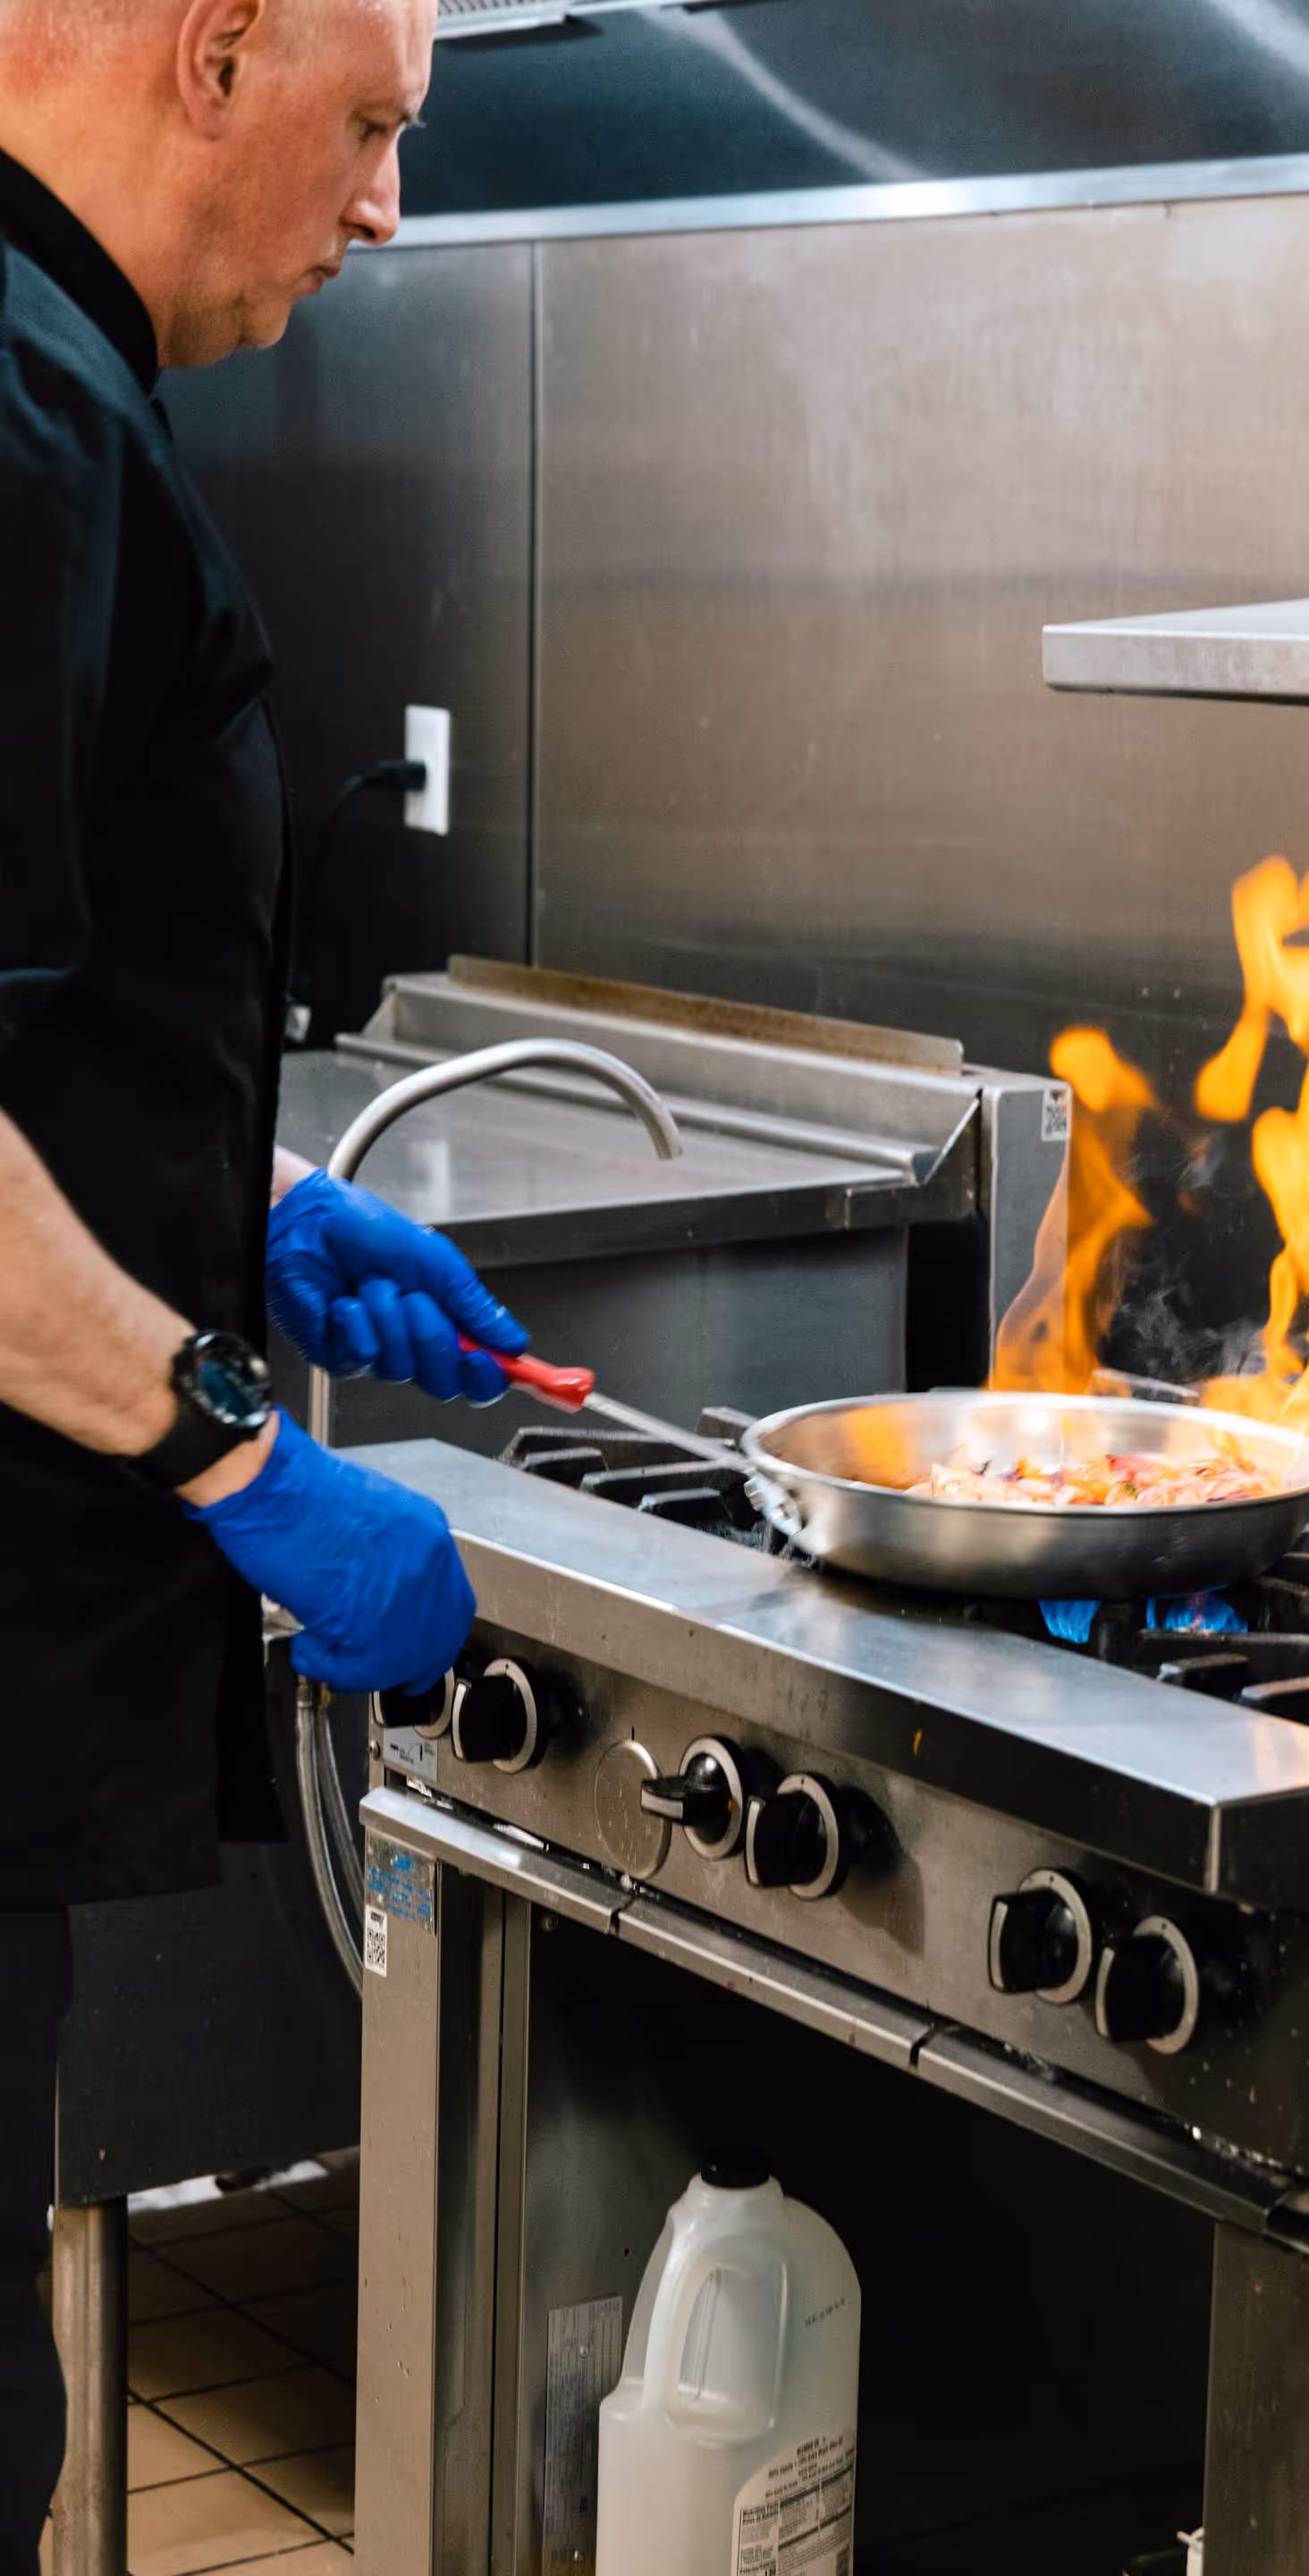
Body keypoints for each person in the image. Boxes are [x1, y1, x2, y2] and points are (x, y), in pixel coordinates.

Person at [0, 1, 519, 2561]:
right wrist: (230, 1433)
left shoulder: (50, 374)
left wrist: (247, 1201)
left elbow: (42, 1004)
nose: (392, 207)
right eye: (379, 125)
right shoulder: (15, 411)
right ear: (214, 51)